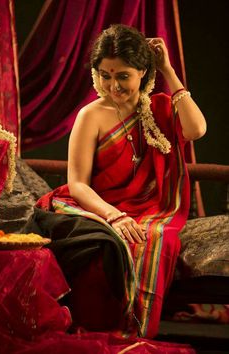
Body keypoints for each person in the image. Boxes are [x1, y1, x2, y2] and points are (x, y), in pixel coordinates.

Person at [24, 24, 206, 339]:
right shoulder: (91, 115)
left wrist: (169, 70)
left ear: (144, 73)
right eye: (105, 75)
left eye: (123, 76)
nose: (113, 86)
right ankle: (99, 332)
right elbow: (78, 184)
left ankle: (133, 334)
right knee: (107, 242)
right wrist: (114, 215)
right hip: (96, 205)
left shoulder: (161, 107)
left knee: (153, 239)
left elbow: (196, 129)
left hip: (151, 209)